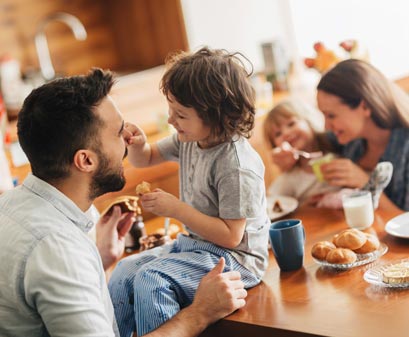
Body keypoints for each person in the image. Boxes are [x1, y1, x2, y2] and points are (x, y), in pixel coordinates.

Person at [0, 69, 247, 337]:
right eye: (118, 132)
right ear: (86, 161)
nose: (128, 140)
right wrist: (200, 313)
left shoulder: (14, 206)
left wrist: (102, 263)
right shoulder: (58, 250)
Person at [109, 47, 270, 336]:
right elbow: (144, 158)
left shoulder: (235, 165)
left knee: (151, 280)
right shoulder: (191, 139)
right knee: (124, 272)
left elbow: (231, 237)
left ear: (217, 116)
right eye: (171, 111)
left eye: (180, 115)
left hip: (237, 260)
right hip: (194, 246)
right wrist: (137, 144)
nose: (171, 120)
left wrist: (176, 209)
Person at [316, 59, 409, 210]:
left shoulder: (405, 146)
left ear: (364, 106)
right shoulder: (353, 139)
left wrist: (366, 183)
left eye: (331, 116)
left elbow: (406, 226)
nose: (326, 126)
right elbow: (316, 140)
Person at [263, 99, 340, 206]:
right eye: (278, 134)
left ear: (309, 120)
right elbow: (271, 204)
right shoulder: (290, 177)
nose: (286, 133)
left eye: (291, 124)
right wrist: (302, 206)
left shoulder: (340, 149)